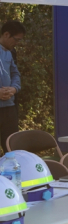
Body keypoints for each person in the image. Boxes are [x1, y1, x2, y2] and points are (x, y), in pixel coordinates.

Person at [0, 21, 23, 154]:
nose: (17, 43)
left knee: (12, 148)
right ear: (6, 34)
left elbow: (15, 74)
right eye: (16, 40)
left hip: (9, 108)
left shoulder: (10, 52)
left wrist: (14, 89)